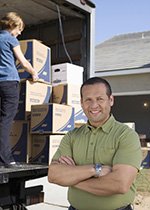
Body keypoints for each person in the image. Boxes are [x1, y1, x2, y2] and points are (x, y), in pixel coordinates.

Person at [48, 77, 142, 210]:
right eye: (88, 100)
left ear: (111, 100)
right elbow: (53, 175)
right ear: (81, 103)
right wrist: (95, 170)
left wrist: (73, 178)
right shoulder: (72, 136)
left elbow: (120, 184)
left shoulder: (126, 136)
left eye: (100, 99)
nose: (93, 106)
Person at [0, 12, 39, 167]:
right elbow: (23, 62)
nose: (20, 32)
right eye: (19, 28)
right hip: (9, 83)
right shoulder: (10, 39)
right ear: (12, 25)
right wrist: (34, 73)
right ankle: (6, 159)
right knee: (5, 121)